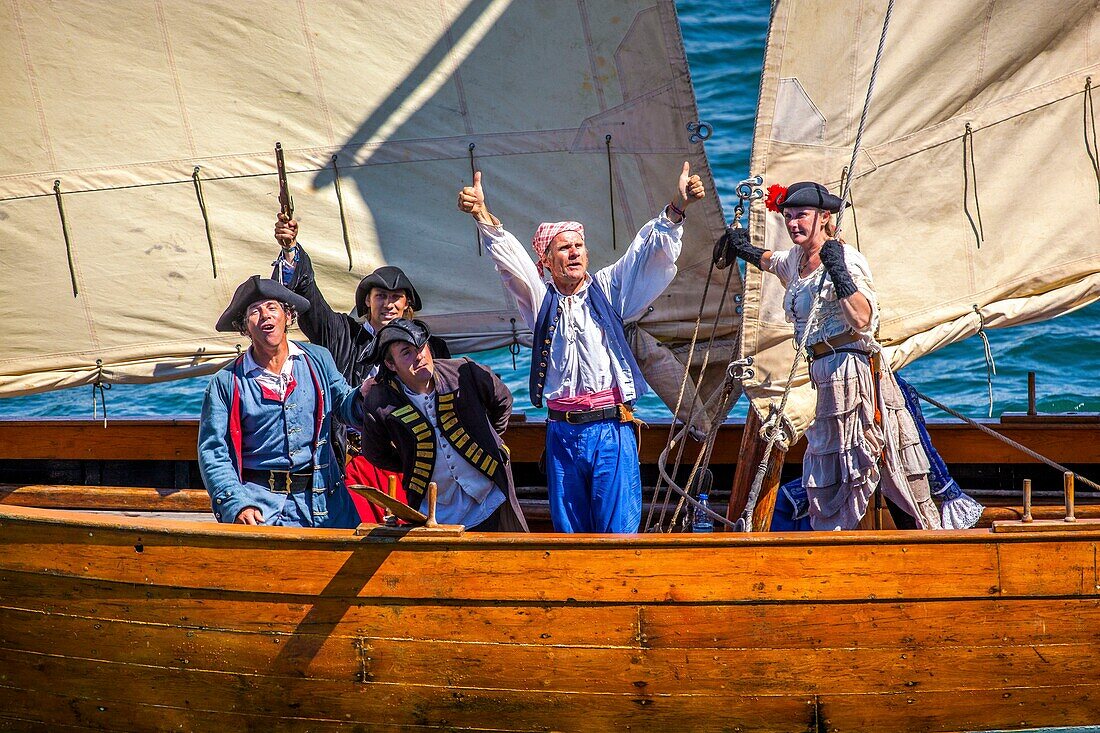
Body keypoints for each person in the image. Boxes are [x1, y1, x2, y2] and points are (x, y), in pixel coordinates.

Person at [457, 163, 706, 533]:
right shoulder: (540, 300)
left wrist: (676, 209)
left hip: (611, 429)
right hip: (562, 433)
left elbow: (644, 254)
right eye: (564, 248)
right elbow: (511, 262)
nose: (574, 253)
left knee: (618, 531)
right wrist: (482, 214)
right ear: (546, 261)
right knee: (570, 533)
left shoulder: (608, 290)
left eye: (579, 246)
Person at [719, 181, 941, 530]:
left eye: (801, 216)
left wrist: (838, 272)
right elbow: (771, 262)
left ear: (824, 217)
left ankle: (911, 533)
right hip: (822, 372)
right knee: (835, 460)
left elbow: (863, 318)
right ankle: (836, 534)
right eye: (788, 216)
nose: (793, 223)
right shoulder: (796, 259)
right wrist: (742, 248)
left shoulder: (845, 258)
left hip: (849, 368)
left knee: (863, 456)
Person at [271, 214, 450, 521]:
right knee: (356, 536)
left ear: (408, 305)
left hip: (411, 462)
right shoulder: (340, 333)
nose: (388, 304)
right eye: (381, 296)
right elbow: (307, 298)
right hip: (353, 461)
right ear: (367, 302)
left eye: (396, 298)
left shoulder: (433, 350)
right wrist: (291, 251)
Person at [198, 275, 364, 528]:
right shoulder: (225, 382)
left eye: (273, 307)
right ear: (245, 327)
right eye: (255, 311)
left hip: (326, 506)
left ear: (288, 316)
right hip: (260, 509)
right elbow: (213, 451)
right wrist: (237, 504)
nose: (265, 315)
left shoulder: (318, 360)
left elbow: (346, 404)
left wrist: (378, 390)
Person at [359, 319, 528, 532]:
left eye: (421, 348)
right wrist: (411, 462)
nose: (419, 357)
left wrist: (488, 440)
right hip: (436, 510)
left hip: (489, 495)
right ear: (391, 364)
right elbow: (375, 452)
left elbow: (502, 401)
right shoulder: (379, 400)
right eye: (406, 353)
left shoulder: (464, 372)